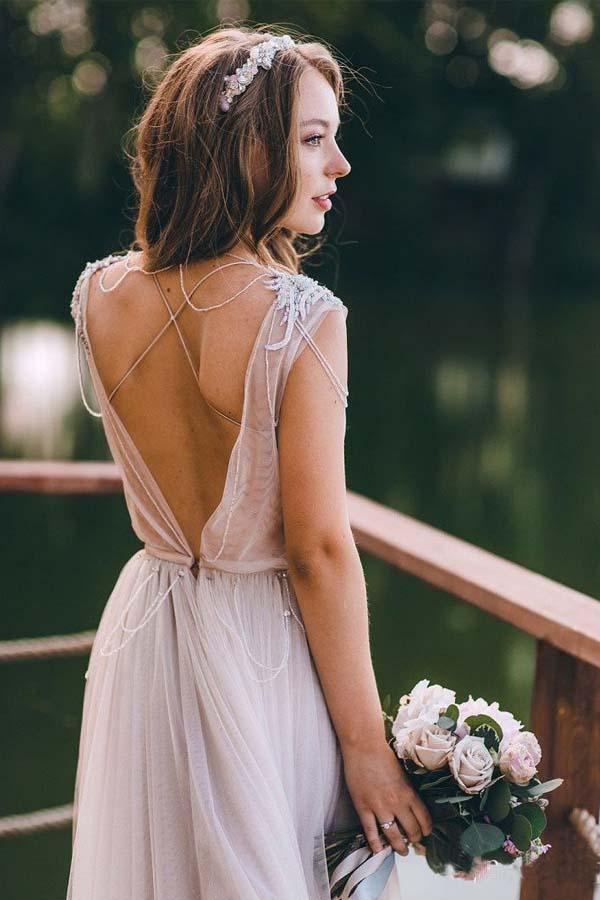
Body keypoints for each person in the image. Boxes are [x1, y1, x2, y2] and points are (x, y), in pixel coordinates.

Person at [66, 25, 432, 900]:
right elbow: (318, 548)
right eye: (314, 140)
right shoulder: (303, 316)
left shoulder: (100, 296)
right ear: (248, 148)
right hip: (264, 652)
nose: (339, 164)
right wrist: (366, 746)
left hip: (152, 630)